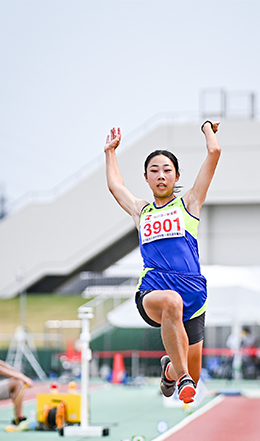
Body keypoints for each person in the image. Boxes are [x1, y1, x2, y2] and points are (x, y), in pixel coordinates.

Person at [104, 120, 221, 403]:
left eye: (167, 170)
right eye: (154, 171)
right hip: (154, 291)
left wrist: (206, 128)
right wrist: (110, 152)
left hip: (194, 296)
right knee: (171, 302)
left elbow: (214, 152)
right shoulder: (141, 211)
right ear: (145, 177)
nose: (160, 175)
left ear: (177, 175)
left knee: (195, 370)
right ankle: (181, 379)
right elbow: (115, 186)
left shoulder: (190, 203)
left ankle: (171, 370)